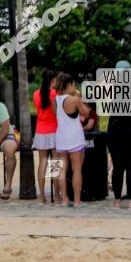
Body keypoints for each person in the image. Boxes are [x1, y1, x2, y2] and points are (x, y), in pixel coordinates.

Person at [53, 74, 90, 208]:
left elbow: (55, 114)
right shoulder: (74, 100)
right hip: (75, 137)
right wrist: (79, 97)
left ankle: (64, 199)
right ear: (69, 85)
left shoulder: (55, 99)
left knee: (62, 170)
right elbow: (86, 113)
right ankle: (77, 201)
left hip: (61, 137)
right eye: (73, 85)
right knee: (77, 169)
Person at [107, 112, 131, 210]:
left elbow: (110, 128)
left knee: (117, 170)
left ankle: (117, 202)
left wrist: (110, 146)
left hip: (116, 140)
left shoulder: (115, 105)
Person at [33, 70, 58, 204]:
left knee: (42, 161)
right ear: (53, 80)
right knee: (55, 162)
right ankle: (57, 195)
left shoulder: (36, 94)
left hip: (40, 131)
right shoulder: (53, 93)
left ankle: (42, 196)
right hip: (54, 131)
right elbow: (55, 112)